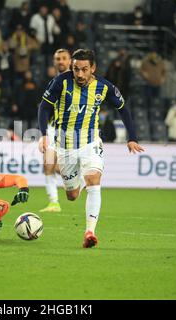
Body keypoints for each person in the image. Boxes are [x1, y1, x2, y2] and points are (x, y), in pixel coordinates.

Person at [38, 49, 144, 248]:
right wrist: (44, 134)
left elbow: (123, 109)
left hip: (90, 144)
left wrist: (132, 137)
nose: (79, 74)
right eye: (76, 69)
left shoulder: (104, 87)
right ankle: (77, 179)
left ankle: (89, 232)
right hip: (65, 147)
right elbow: (43, 107)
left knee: (94, 180)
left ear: (92, 68)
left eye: (84, 69)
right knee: (72, 196)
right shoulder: (61, 82)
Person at [39, 48, 71, 213]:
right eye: (57, 58)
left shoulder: (77, 81)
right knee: (48, 164)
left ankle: (75, 180)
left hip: (71, 131)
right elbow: (44, 109)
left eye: (64, 58)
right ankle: (54, 202)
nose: (60, 61)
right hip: (53, 128)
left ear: (70, 60)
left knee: (59, 166)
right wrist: (43, 133)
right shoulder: (53, 82)